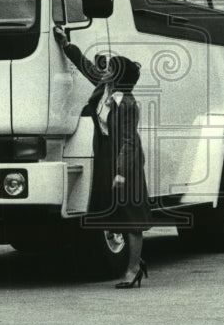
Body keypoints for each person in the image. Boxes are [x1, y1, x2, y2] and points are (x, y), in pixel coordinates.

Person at [53, 27, 151, 288]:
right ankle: (136, 262)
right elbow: (89, 69)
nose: (104, 69)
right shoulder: (106, 88)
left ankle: (133, 270)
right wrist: (67, 46)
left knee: (131, 218)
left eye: (110, 68)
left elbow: (129, 142)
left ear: (118, 76)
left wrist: (120, 172)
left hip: (125, 161)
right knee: (115, 213)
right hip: (108, 156)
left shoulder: (127, 104)